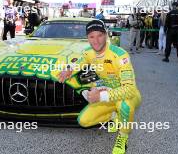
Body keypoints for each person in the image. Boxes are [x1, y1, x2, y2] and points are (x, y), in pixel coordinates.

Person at [58, 19, 141, 154]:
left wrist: (100, 96)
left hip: (127, 95)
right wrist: (69, 69)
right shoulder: (88, 52)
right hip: (107, 94)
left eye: (99, 35)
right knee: (84, 121)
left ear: (106, 35)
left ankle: (123, 136)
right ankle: (114, 115)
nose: (96, 41)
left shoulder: (120, 55)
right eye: (91, 36)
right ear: (87, 38)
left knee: (124, 106)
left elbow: (129, 89)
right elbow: (80, 61)